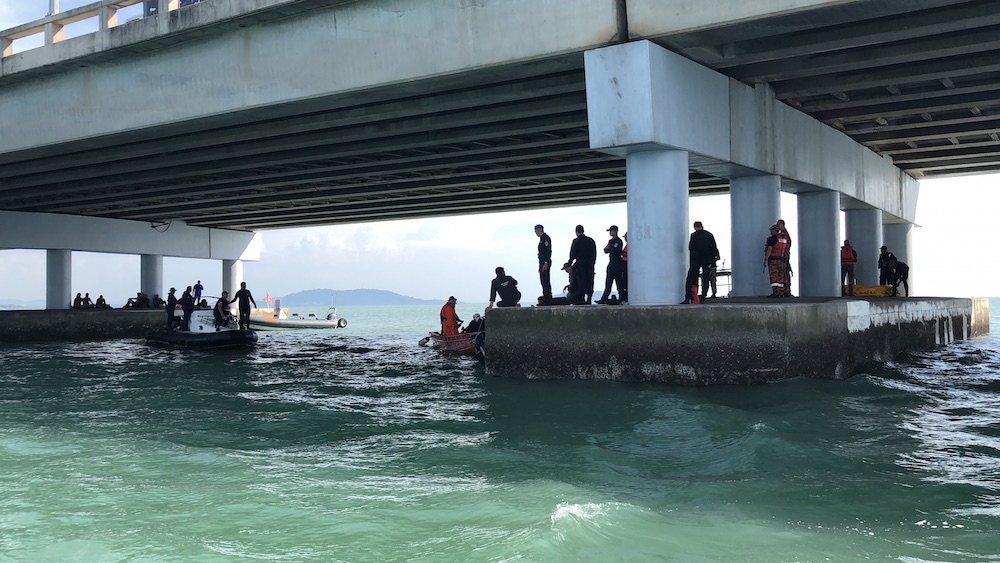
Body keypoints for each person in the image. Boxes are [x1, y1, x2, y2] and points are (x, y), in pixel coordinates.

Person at [685, 221, 719, 303]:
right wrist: (713, 259)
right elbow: (714, 248)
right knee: (706, 278)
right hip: (707, 260)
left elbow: (691, 247)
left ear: (695, 227)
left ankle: (689, 298)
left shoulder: (694, 235)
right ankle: (703, 297)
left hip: (696, 260)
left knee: (691, 278)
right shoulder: (709, 235)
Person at [568, 225, 597, 304]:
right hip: (590, 264)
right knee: (590, 280)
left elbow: (572, 254)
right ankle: (589, 298)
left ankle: (582, 298)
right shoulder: (591, 240)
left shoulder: (576, 241)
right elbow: (594, 253)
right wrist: (593, 263)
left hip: (580, 264)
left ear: (576, 232)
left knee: (581, 281)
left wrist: (570, 264)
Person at [597, 225, 626, 304]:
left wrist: (611, 249)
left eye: (611, 231)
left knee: (618, 282)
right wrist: (611, 249)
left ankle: (621, 298)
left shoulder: (618, 241)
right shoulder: (610, 241)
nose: (610, 232)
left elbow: (616, 251)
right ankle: (604, 298)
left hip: (617, 263)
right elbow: (606, 250)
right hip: (611, 262)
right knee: (608, 282)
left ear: (615, 231)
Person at [764, 224, 791, 298]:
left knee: (774, 277)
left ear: (774, 230)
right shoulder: (784, 239)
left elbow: (770, 249)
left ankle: (776, 292)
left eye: (771, 230)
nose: (770, 232)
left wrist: (766, 259)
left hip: (774, 260)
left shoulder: (772, 238)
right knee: (781, 277)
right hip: (782, 260)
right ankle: (781, 292)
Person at [535, 224, 553, 306]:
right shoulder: (542, 239)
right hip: (541, 262)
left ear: (539, 230)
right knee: (543, 281)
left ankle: (548, 299)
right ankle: (546, 298)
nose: (536, 233)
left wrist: (546, 262)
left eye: (536, 231)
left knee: (545, 281)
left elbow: (547, 251)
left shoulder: (545, 238)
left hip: (545, 262)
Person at [776, 219, 794, 297]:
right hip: (783, 257)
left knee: (784, 274)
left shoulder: (784, 234)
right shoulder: (783, 234)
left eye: (778, 225)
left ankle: (785, 291)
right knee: (783, 274)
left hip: (784, 257)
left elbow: (787, 245)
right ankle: (784, 291)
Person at [621, 232, 629, 303]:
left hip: (627, 263)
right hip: (623, 263)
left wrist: (621, 253)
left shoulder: (630, 245)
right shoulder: (626, 245)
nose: (625, 239)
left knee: (625, 280)